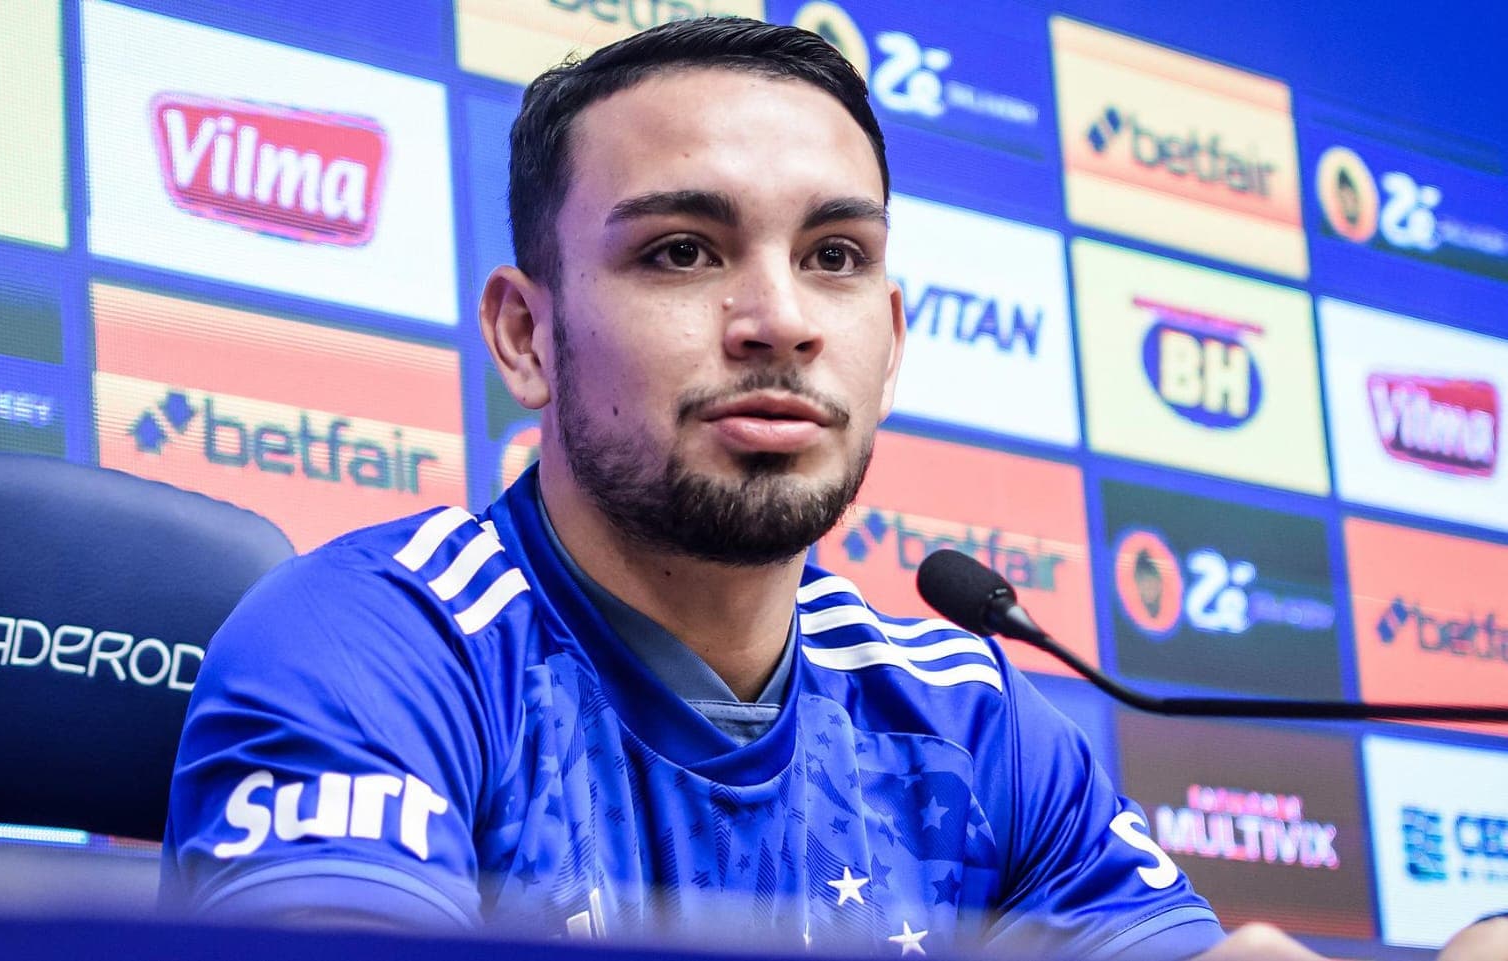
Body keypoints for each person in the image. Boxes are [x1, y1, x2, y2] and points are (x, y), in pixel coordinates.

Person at [161, 17, 1317, 959]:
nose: (784, 321)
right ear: (526, 334)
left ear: (894, 338)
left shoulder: (974, 721)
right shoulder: (379, 645)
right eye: (682, 250)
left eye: (835, 258)